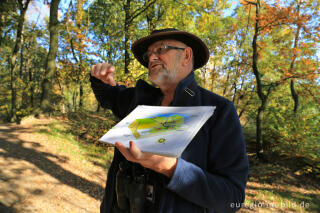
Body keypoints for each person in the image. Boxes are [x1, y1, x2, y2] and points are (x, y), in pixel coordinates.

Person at [90, 28, 249, 213]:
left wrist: (170, 168)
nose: (151, 58)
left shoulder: (218, 111)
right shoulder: (139, 100)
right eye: (148, 54)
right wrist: (99, 77)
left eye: (161, 49)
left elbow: (232, 197)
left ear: (187, 56)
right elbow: (109, 96)